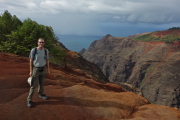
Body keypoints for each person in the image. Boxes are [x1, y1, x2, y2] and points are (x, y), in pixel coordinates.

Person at [27, 38, 50, 107]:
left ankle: (41, 94)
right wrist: (31, 71)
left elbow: (47, 60)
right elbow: (31, 60)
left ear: (44, 43)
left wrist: (48, 69)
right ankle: (29, 99)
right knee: (33, 85)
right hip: (36, 69)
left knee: (42, 83)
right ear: (37, 43)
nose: (41, 44)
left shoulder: (46, 50)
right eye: (40, 42)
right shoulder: (34, 50)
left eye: (42, 42)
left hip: (43, 68)